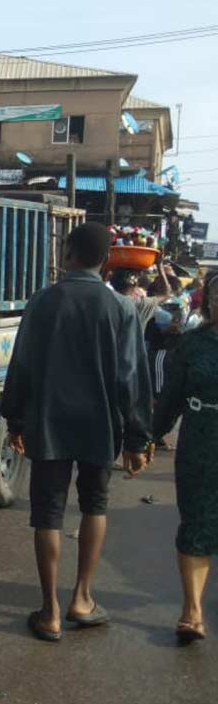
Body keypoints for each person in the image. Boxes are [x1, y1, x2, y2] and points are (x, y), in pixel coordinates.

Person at [1, 222, 154, 643]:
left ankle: (49, 611)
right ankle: (82, 598)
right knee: (95, 505)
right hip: (100, 425)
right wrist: (139, 438)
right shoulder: (121, 309)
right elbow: (131, 378)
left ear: (67, 253)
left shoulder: (42, 302)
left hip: (48, 423)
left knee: (47, 513)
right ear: (106, 262)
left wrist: (15, 419)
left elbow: (23, 365)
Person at [153, 271, 218, 644]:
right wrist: (148, 435)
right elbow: (171, 398)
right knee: (196, 523)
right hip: (200, 445)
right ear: (208, 300)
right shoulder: (193, 345)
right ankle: (192, 611)